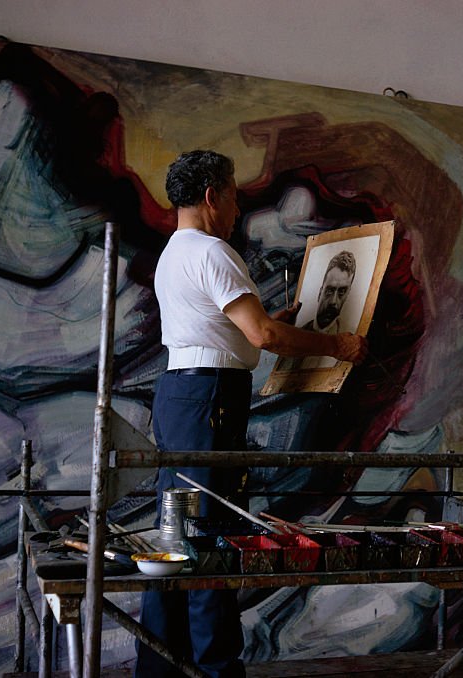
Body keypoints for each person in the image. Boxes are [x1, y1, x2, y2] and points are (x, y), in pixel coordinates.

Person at [139, 150, 368, 678]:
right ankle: (217, 670)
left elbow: (232, 332)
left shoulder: (173, 253)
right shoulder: (213, 252)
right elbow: (262, 335)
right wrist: (337, 344)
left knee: (174, 535)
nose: (238, 208)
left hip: (181, 395)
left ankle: (160, 669)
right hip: (209, 400)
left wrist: (268, 324)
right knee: (208, 536)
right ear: (211, 195)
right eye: (235, 195)